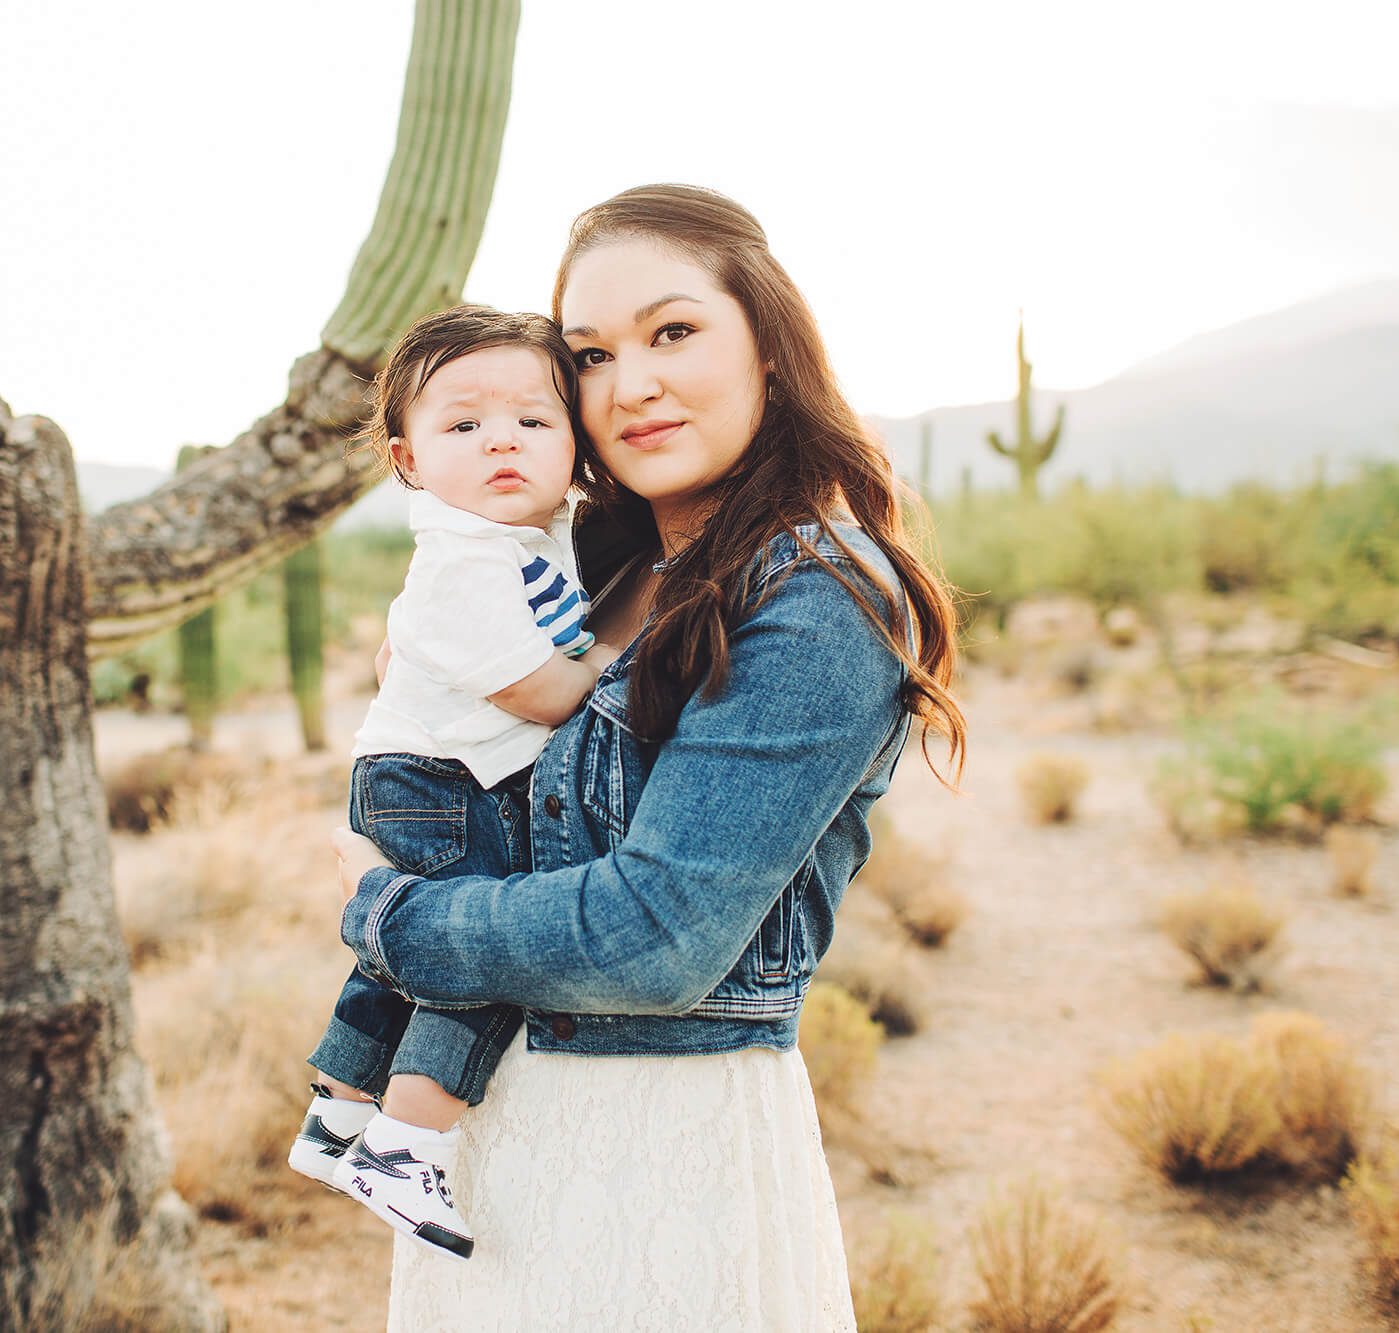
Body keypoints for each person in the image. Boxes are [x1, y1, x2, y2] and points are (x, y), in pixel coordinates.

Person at [330, 184, 968, 1330]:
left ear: (768, 347)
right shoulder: (593, 566)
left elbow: (659, 936)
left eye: (672, 332)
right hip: (483, 1138)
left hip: (659, 1151)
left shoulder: (816, 593)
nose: (630, 386)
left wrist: (390, 919)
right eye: (587, 354)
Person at [292, 305, 620, 1259]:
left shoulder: (524, 536)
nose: (501, 442)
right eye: (463, 425)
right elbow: (551, 695)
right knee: (478, 953)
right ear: (408, 459)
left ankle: (339, 1115)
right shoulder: (464, 564)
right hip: (440, 779)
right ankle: (407, 1144)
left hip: (425, 772)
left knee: (402, 950)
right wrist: (625, 657)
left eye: (533, 419)